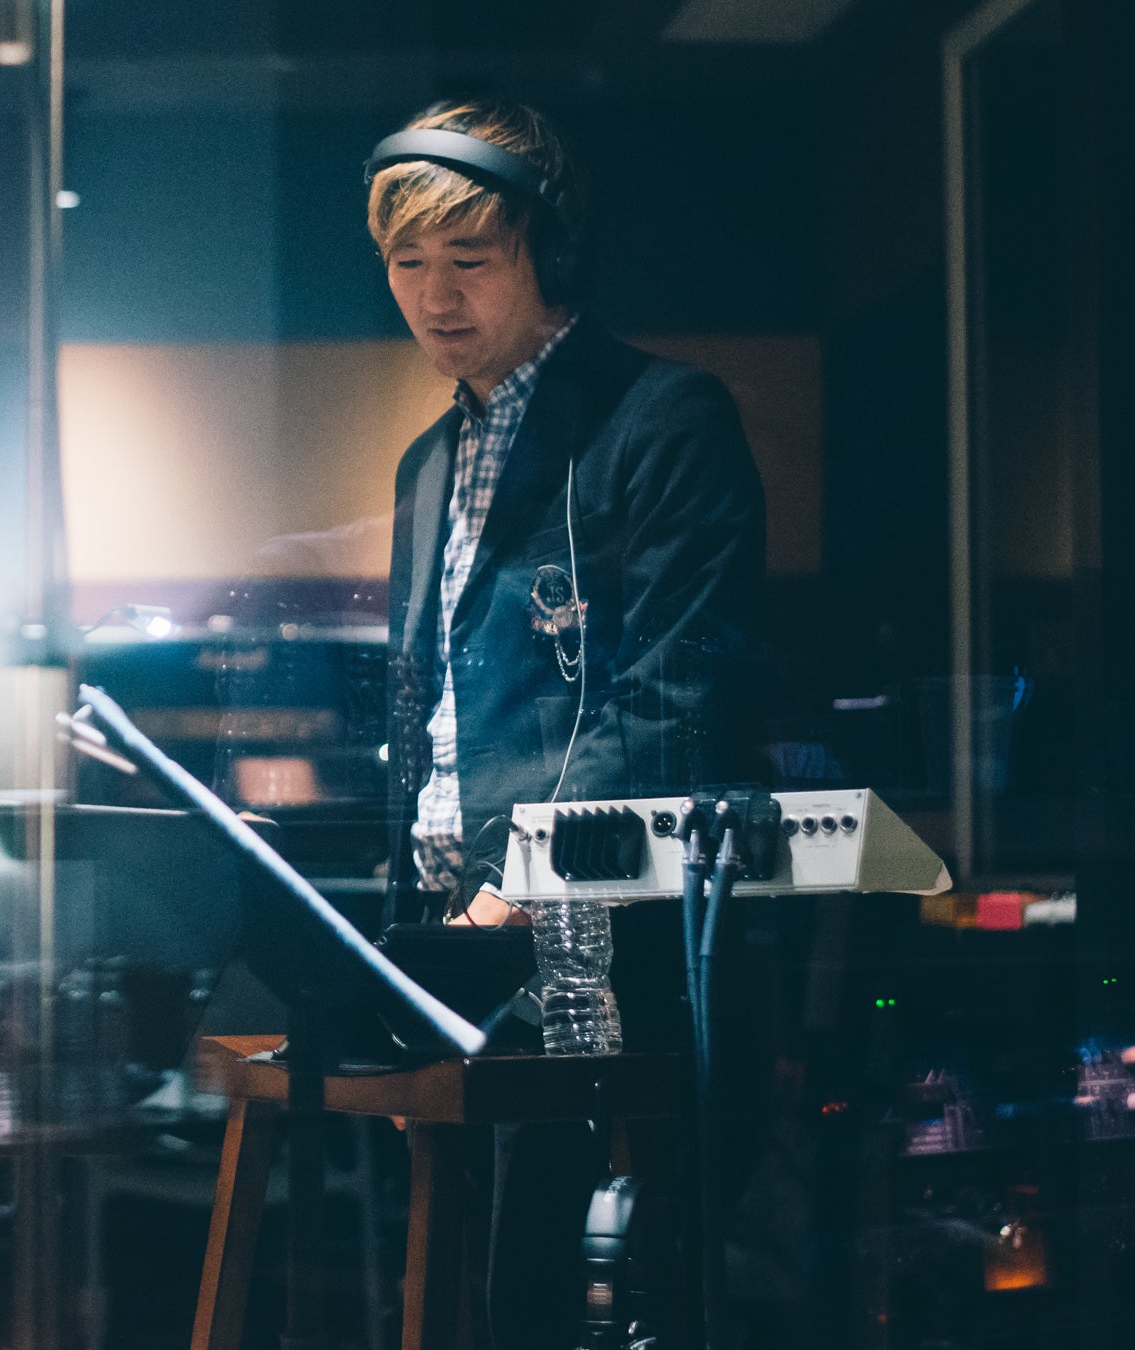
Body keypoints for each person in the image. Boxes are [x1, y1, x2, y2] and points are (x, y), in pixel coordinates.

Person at [369, 97, 766, 1347]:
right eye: (407, 264)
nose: (436, 298)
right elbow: (425, 704)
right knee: (460, 1295)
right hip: (452, 937)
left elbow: (672, 688)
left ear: (552, 254)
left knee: (564, 1289)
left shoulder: (664, 420)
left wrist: (517, 889)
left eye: (470, 262)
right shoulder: (425, 462)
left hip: (602, 940)